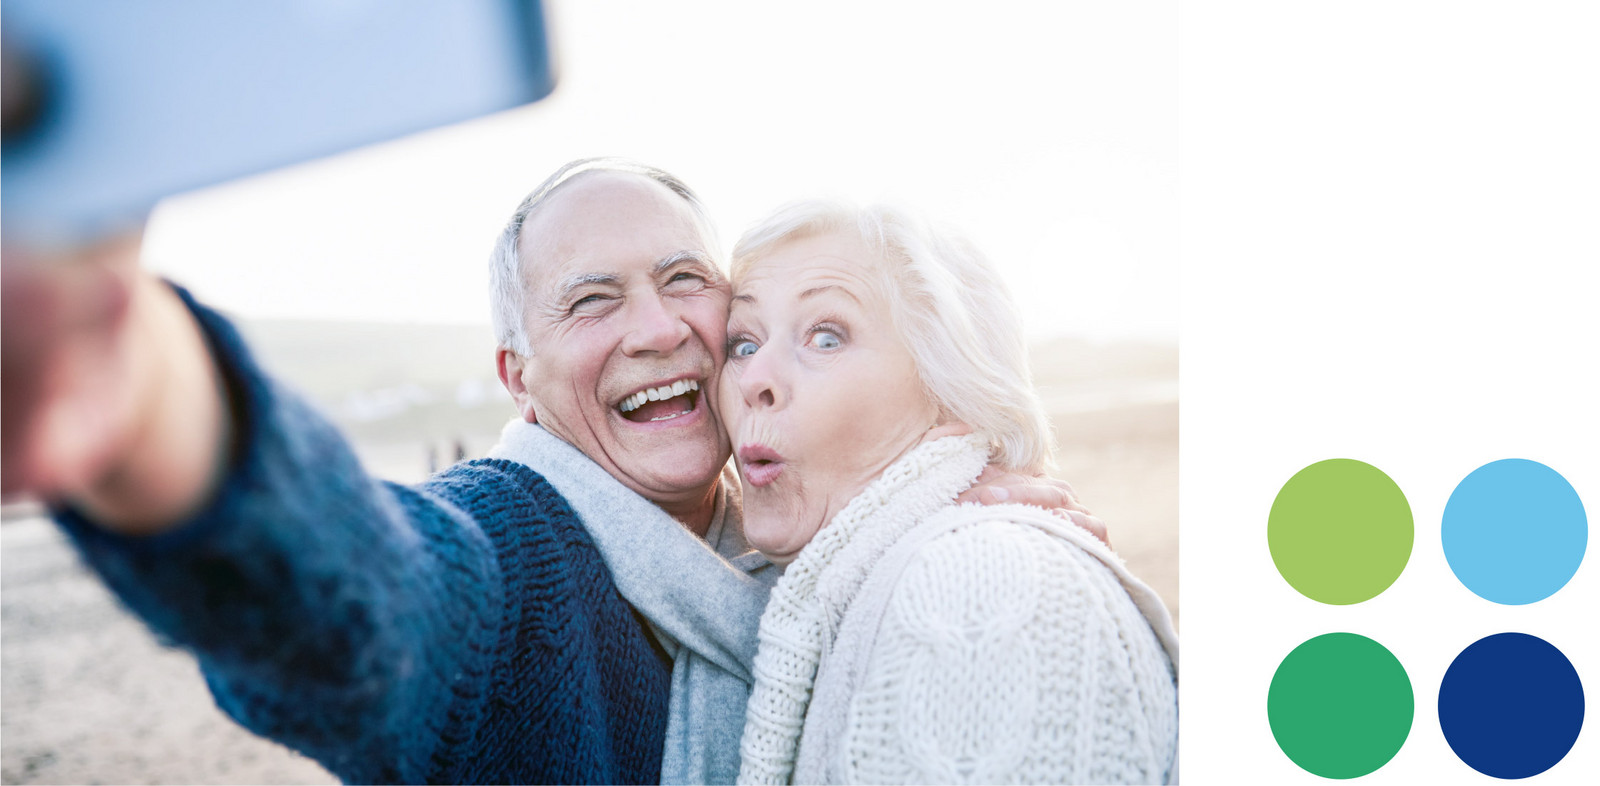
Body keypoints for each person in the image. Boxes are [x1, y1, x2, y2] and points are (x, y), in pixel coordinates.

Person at [1, 159, 1097, 784]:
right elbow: (358, 592)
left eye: (684, 280)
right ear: (517, 378)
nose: (659, 327)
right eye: (591, 300)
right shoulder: (507, 560)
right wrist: (138, 391)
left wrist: (915, 518)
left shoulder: (807, 552)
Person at [718, 200, 1180, 784]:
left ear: (952, 395)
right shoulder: (832, 591)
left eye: (826, 337)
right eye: (743, 343)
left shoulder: (976, 582)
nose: (755, 377)